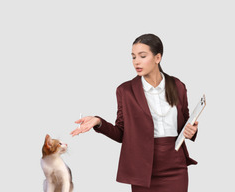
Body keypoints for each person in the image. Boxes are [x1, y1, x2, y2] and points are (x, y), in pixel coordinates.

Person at [70, 34, 198, 192]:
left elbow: (185, 123)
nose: (136, 62)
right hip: (143, 169)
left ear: (158, 57)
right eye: (133, 57)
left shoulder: (178, 85)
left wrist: (192, 131)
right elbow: (121, 134)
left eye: (142, 56)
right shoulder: (125, 91)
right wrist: (99, 122)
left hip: (175, 167)